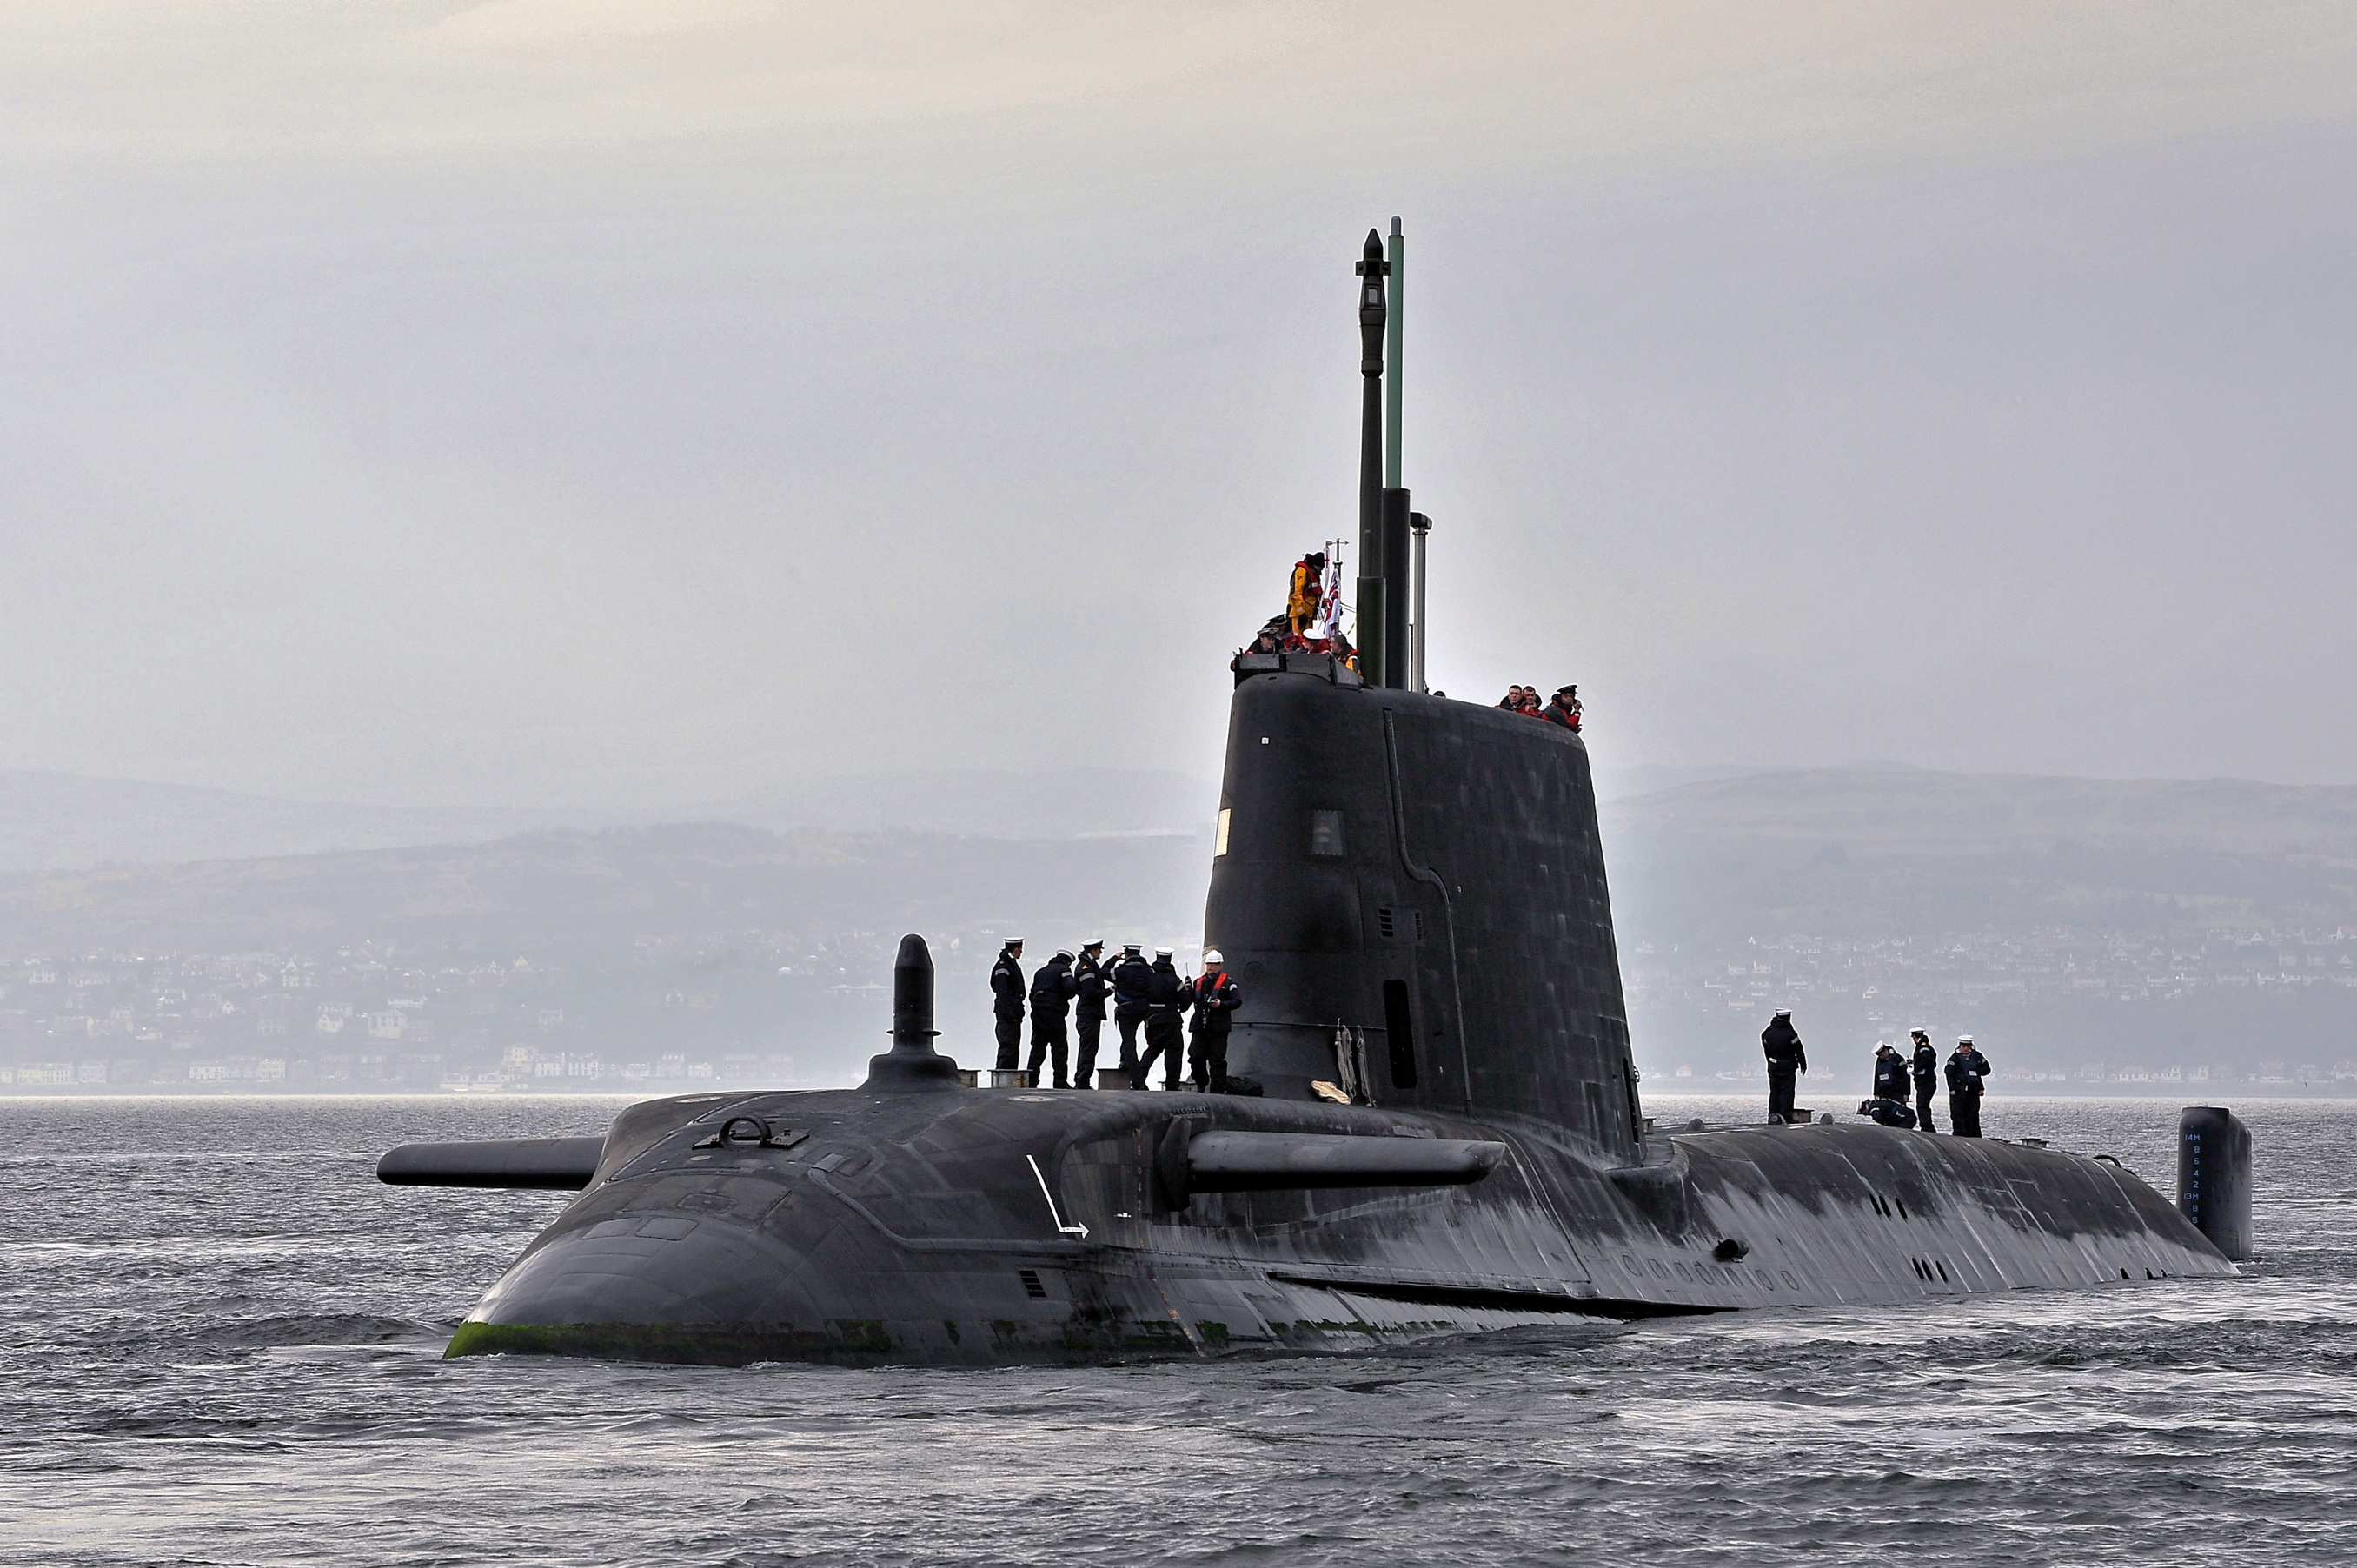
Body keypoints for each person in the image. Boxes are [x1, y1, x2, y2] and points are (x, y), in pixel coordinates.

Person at [1186, 949, 1242, 1093]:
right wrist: (1187, 991)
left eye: (1214, 964)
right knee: (1195, 1057)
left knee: (1217, 1060)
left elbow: (1237, 1001)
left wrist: (1221, 1004)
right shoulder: (1198, 983)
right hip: (1200, 1026)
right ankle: (1201, 1083)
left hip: (1218, 1027)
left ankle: (1217, 1090)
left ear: (1220, 965)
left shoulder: (1228, 984)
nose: (1210, 967)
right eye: (1209, 964)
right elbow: (1188, 1002)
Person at [1136, 947, 1190, 1090]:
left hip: (1152, 1020)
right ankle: (1172, 1085)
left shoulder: (1148, 977)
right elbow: (1184, 1003)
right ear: (1170, 960)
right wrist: (1187, 992)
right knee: (1174, 1053)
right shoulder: (1174, 980)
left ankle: (1138, 1079)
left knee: (1153, 1049)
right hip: (1171, 1020)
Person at [1026, 949, 1078, 1089]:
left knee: (1037, 1048)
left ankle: (1031, 1080)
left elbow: (1031, 994)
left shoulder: (1040, 972)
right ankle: (1060, 1082)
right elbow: (1071, 988)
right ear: (1068, 961)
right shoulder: (1064, 970)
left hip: (1037, 1014)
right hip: (1054, 1013)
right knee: (1059, 1048)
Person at [1110, 943, 1152, 1086]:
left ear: (1126, 954)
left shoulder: (1122, 971)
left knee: (1129, 1042)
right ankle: (1126, 1063)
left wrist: (1115, 958)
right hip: (1145, 1011)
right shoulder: (1149, 971)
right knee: (1148, 1043)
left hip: (1126, 1010)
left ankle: (1136, 1079)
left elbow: (1103, 971)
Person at [1071, 940, 1110, 1089]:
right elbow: (1090, 993)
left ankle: (1083, 1079)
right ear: (1093, 950)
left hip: (1090, 1013)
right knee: (1088, 1047)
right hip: (1089, 1013)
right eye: (1099, 950)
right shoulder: (1086, 968)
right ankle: (1082, 1080)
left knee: (1089, 1047)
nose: (1100, 953)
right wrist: (1108, 992)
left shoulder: (1089, 966)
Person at [1761, 1009, 1807, 1123]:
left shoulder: (1768, 1032)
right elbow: (1799, 1049)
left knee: (1774, 1090)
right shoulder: (1790, 1033)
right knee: (1787, 1091)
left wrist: (1770, 1061)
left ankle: (1773, 1114)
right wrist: (1803, 1064)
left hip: (1773, 1066)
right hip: (1788, 1066)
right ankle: (1786, 1116)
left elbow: (1765, 1045)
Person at [990, 939, 1026, 1072]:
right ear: (1015, 949)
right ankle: (1004, 1072)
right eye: (1020, 949)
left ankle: (1010, 1072)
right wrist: (1011, 1012)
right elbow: (1002, 992)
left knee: (1013, 1045)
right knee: (1008, 1044)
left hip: (1013, 1011)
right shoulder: (1003, 966)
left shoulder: (1010, 964)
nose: (1021, 952)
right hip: (1007, 1012)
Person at [1946, 1036, 1991, 1137]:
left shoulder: (1977, 1057)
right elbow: (1949, 1073)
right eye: (1964, 1046)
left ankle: (1974, 1135)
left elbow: (1987, 1070)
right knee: (1958, 1114)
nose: (1966, 1049)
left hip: (1973, 1090)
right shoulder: (1955, 1058)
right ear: (1960, 1046)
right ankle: (1960, 1134)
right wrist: (1952, 1088)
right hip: (1959, 1091)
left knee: (1973, 1114)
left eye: (1968, 1046)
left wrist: (1977, 1074)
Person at [1909, 1028, 1940, 1133]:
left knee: (1922, 1105)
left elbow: (1926, 1060)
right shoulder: (1925, 1046)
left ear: (1914, 1036)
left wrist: (1916, 1069)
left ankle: (1927, 1127)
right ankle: (1927, 1126)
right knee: (1923, 1104)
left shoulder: (1923, 1047)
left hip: (1926, 1082)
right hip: (1927, 1081)